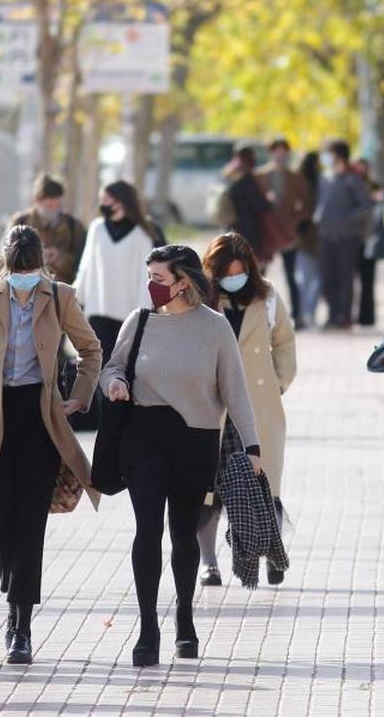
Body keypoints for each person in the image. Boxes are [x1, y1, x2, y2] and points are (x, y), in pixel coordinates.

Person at [99, 245, 262, 667]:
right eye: (149, 277)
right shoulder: (139, 321)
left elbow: (235, 391)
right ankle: (148, 628)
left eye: (159, 279)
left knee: (184, 537)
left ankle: (185, 620)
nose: (152, 286)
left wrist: (253, 446)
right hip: (143, 438)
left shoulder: (215, 328)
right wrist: (114, 383)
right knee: (147, 530)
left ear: (183, 281)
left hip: (195, 442)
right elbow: (112, 367)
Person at [0, 226, 102, 664]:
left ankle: (20, 626)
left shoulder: (59, 297)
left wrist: (80, 394)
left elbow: (91, 349)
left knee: (30, 523)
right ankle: (13, 581)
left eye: (31, 271)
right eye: (17, 272)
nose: (24, 279)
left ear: (42, 265)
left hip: (40, 418)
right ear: (5, 266)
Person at [197, 233, 296, 587]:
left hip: (259, 405)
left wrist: (279, 382)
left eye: (240, 271)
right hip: (214, 407)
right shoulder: (201, 298)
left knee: (264, 484)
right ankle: (209, 563)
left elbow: (284, 341)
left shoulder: (267, 296)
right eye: (226, 272)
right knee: (209, 489)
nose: (233, 278)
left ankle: (272, 551)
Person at [72, 181, 162, 429]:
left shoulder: (142, 234)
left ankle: (125, 418)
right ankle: (105, 418)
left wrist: (145, 315)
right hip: (98, 310)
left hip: (129, 315)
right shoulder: (97, 229)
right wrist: (74, 299)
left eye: (108, 201)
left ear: (122, 202)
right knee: (100, 366)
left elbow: (146, 279)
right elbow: (86, 266)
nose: (104, 206)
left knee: (126, 368)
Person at [314, 139, 370, 329]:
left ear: (339, 156)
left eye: (329, 153)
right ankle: (332, 313)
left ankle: (344, 317)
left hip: (347, 237)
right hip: (326, 236)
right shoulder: (325, 178)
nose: (326, 157)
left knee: (345, 277)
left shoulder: (352, 179)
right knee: (326, 277)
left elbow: (365, 206)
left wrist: (344, 218)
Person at [257, 138, 312, 328]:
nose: (280, 155)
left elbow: (307, 204)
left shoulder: (295, 177)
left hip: (288, 234)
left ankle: (298, 316)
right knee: (260, 276)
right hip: (266, 234)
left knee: (291, 275)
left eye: (284, 152)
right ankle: (257, 315)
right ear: (271, 153)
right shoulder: (260, 176)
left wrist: (295, 221)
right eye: (276, 151)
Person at [8, 173, 87, 284]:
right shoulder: (20, 222)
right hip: (25, 292)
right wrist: (35, 257)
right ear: (36, 201)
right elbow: (4, 261)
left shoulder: (74, 226)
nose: (54, 209)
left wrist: (60, 258)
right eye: (49, 205)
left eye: (58, 205)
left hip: (63, 294)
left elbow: (84, 263)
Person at [221, 145, 274, 263]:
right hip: (248, 230)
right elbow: (260, 206)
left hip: (231, 227)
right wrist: (269, 200)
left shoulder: (230, 174)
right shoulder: (246, 179)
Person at [353, 157, 383, 327]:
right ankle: (352, 314)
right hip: (353, 239)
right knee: (351, 282)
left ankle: (367, 317)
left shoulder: (375, 186)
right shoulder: (350, 186)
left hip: (369, 239)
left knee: (368, 280)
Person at [295, 151, 322, 328]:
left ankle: (304, 312)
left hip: (304, 236)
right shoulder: (320, 182)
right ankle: (308, 312)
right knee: (314, 278)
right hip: (314, 236)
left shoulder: (298, 181)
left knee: (305, 278)